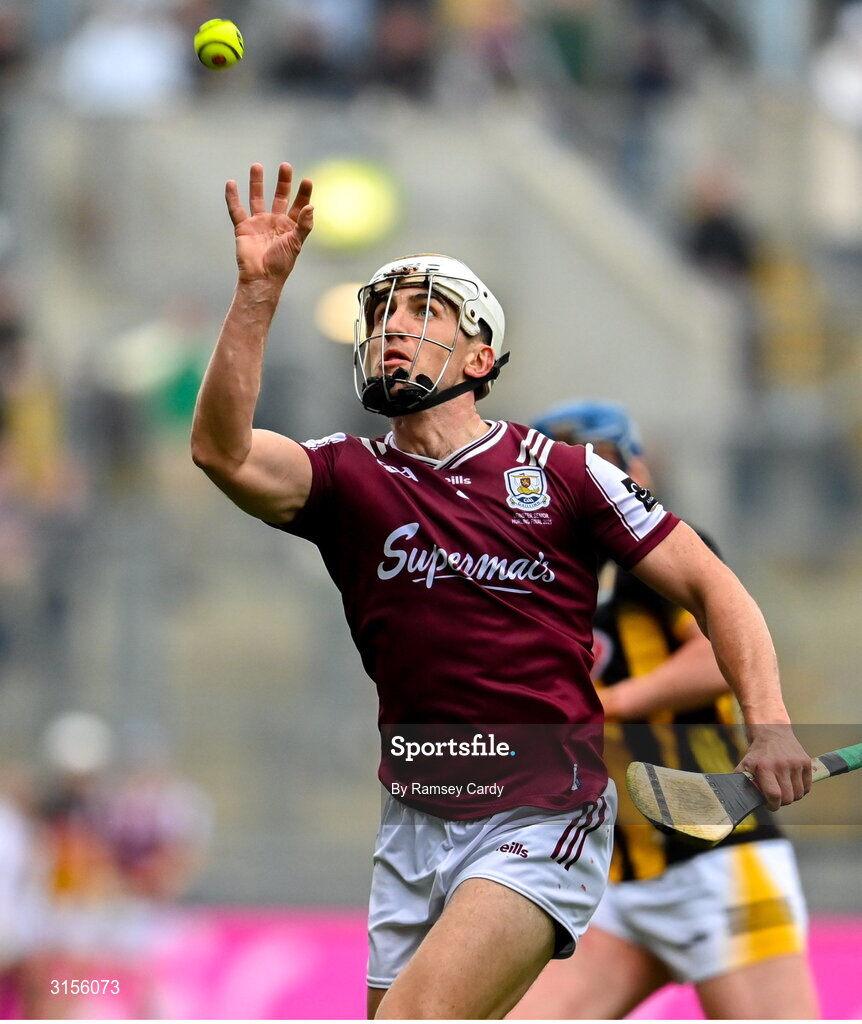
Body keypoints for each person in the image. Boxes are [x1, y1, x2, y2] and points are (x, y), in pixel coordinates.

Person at [190, 162, 813, 1020]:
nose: (393, 328)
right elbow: (221, 452)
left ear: (480, 356)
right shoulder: (346, 476)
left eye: (423, 311)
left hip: (538, 810)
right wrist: (258, 293)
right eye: (383, 314)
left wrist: (769, 725)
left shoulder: (564, 475)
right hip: (413, 815)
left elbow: (716, 587)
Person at [511, 400, 819, 1021]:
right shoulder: (530, 587)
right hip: (613, 878)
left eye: (606, 463)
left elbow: (715, 660)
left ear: (639, 472)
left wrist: (606, 703)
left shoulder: (661, 558)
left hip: (715, 863)